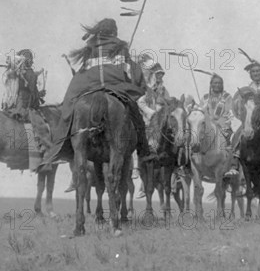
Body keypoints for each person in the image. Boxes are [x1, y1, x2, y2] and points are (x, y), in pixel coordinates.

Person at [40, 18, 150, 182]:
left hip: (88, 87)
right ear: (114, 32)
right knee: (135, 113)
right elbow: (133, 74)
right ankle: (143, 148)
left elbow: (81, 73)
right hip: (115, 87)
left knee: (69, 109)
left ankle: (63, 145)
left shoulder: (90, 49)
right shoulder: (120, 47)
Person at [136, 62, 170, 198]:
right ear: (154, 76)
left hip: (160, 123)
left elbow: (168, 102)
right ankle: (136, 169)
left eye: (161, 74)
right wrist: (151, 112)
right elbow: (140, 102)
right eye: (158, 74)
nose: (159, 76)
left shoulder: (164, 89)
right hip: (148, 122)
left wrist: (165, 108)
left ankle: (179, 167)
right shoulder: (148, 90)